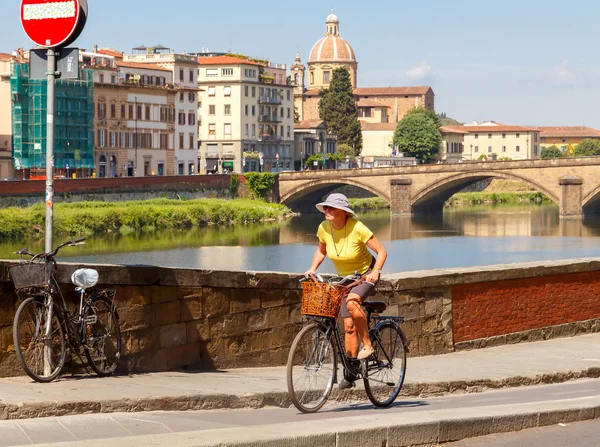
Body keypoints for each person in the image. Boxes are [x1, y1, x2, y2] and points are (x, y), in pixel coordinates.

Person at [304, 193, 387, 389]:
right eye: (326, 207)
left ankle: (367, 345)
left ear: (343, 211)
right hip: (345, 279)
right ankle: (351, 372)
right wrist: (312, 269)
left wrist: (375, 272)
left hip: (365, 274)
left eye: (331, 208)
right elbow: (321, 251)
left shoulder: (357, 228)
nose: (327, 211)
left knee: (352, 302)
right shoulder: (324, 228)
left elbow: (382, 251)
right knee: (348, 326)